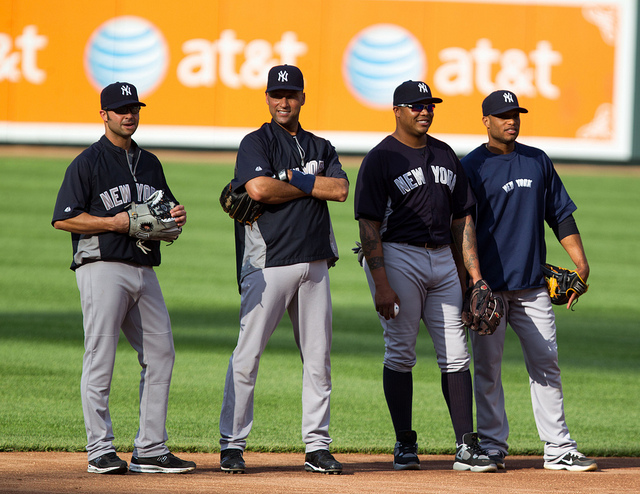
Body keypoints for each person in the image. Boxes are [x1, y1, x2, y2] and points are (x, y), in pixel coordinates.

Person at [52, 82, 196, 475]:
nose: (128, 114)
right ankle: (99, 449)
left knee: (161, 353)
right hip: (102, 267)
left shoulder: (150, 162)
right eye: (120, 109)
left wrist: (175, 216)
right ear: (104, 115)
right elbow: (64, 217)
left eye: (133, 107)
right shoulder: (87, 162)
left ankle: (150, 449)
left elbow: (163, 210)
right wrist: (113, 222)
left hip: (145, 269)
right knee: (101, 356)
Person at [354, 80, 496, 473]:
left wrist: (474, 276)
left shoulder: (445, 154)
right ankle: (404, 443)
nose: (424, 111)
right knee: (401, 351)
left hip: (443, 261)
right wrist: (381, 283)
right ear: (397, 110)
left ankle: (466, 446)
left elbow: (462, 218)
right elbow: (368, 224)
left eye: (428, 105)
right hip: (398, 255)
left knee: (456, 352)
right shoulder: (381, 158)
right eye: (415, 105)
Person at [218, 64, 349, 475]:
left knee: (318, 358)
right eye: (277, 94)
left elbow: (341, 190)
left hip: (315, 262)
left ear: (302, 97)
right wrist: (309, 182)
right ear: (268, 97)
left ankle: (317, 445)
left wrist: (290, 180)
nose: (283, 101)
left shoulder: (321, 145)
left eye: (290, 94)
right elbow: (258, 189)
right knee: (248, 354)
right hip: (267, 261)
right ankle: (232, 445)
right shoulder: (256, 142)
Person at [460, 89, 597, 472]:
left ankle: (558, 448)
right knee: (488, 370)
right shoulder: (472, 167)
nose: (511, 120)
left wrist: (580, 263)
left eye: (515, 113)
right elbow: (463, 227)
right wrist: (470, 281)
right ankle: (491, 446)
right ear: (485, 120)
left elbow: (560, 215)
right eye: (503, 115)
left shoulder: (537, 160)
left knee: (546, 363)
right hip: (490, 289)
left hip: (534, 286)